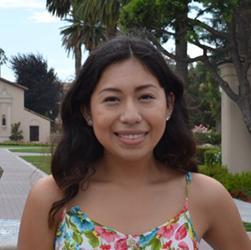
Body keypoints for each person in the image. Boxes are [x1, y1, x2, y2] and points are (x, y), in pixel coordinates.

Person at [18, 36, 251, 250]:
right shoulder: (52, 197)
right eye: (112, 99)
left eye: (146, 97)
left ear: (168, 104)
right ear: (87, 111)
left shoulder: (204, 196)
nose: (131, 116)